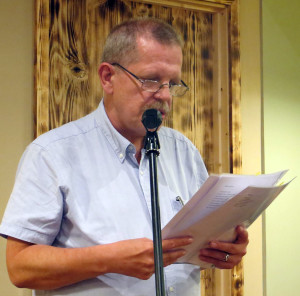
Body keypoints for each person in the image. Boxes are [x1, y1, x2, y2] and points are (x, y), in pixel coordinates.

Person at [0, 18, 248, 296]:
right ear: (108, 77)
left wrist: (224, 252)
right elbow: (20, 267)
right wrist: (110, 259)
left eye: (173, 84)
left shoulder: (184, 151)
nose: (165, 96)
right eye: (151, 80)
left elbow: (191, 252)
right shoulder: (51, 154)